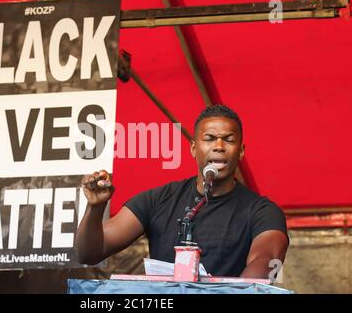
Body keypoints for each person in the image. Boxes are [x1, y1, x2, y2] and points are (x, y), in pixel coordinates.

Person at [76, 104, 288, 278]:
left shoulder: (263, 211)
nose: (219, 146)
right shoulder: (158, 200)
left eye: (229, 140)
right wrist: (95, 208)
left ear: (240, 151)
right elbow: (89, 253)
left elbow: (267, 261)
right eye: (210, 139)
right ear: (193, 149)